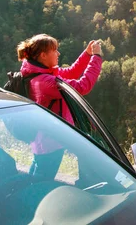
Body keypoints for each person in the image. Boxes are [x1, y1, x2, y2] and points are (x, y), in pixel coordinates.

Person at [15, 34, 103, 179]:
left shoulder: (38, 73)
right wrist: (97, 57)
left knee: (38, 173)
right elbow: (83, 86)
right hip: (50, 141)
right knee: (41, 179)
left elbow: (71, 72)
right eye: (54, 50)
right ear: (43, 55)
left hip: (45, 138)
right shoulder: (46, 82)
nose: (58, 53)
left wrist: (87, 54)